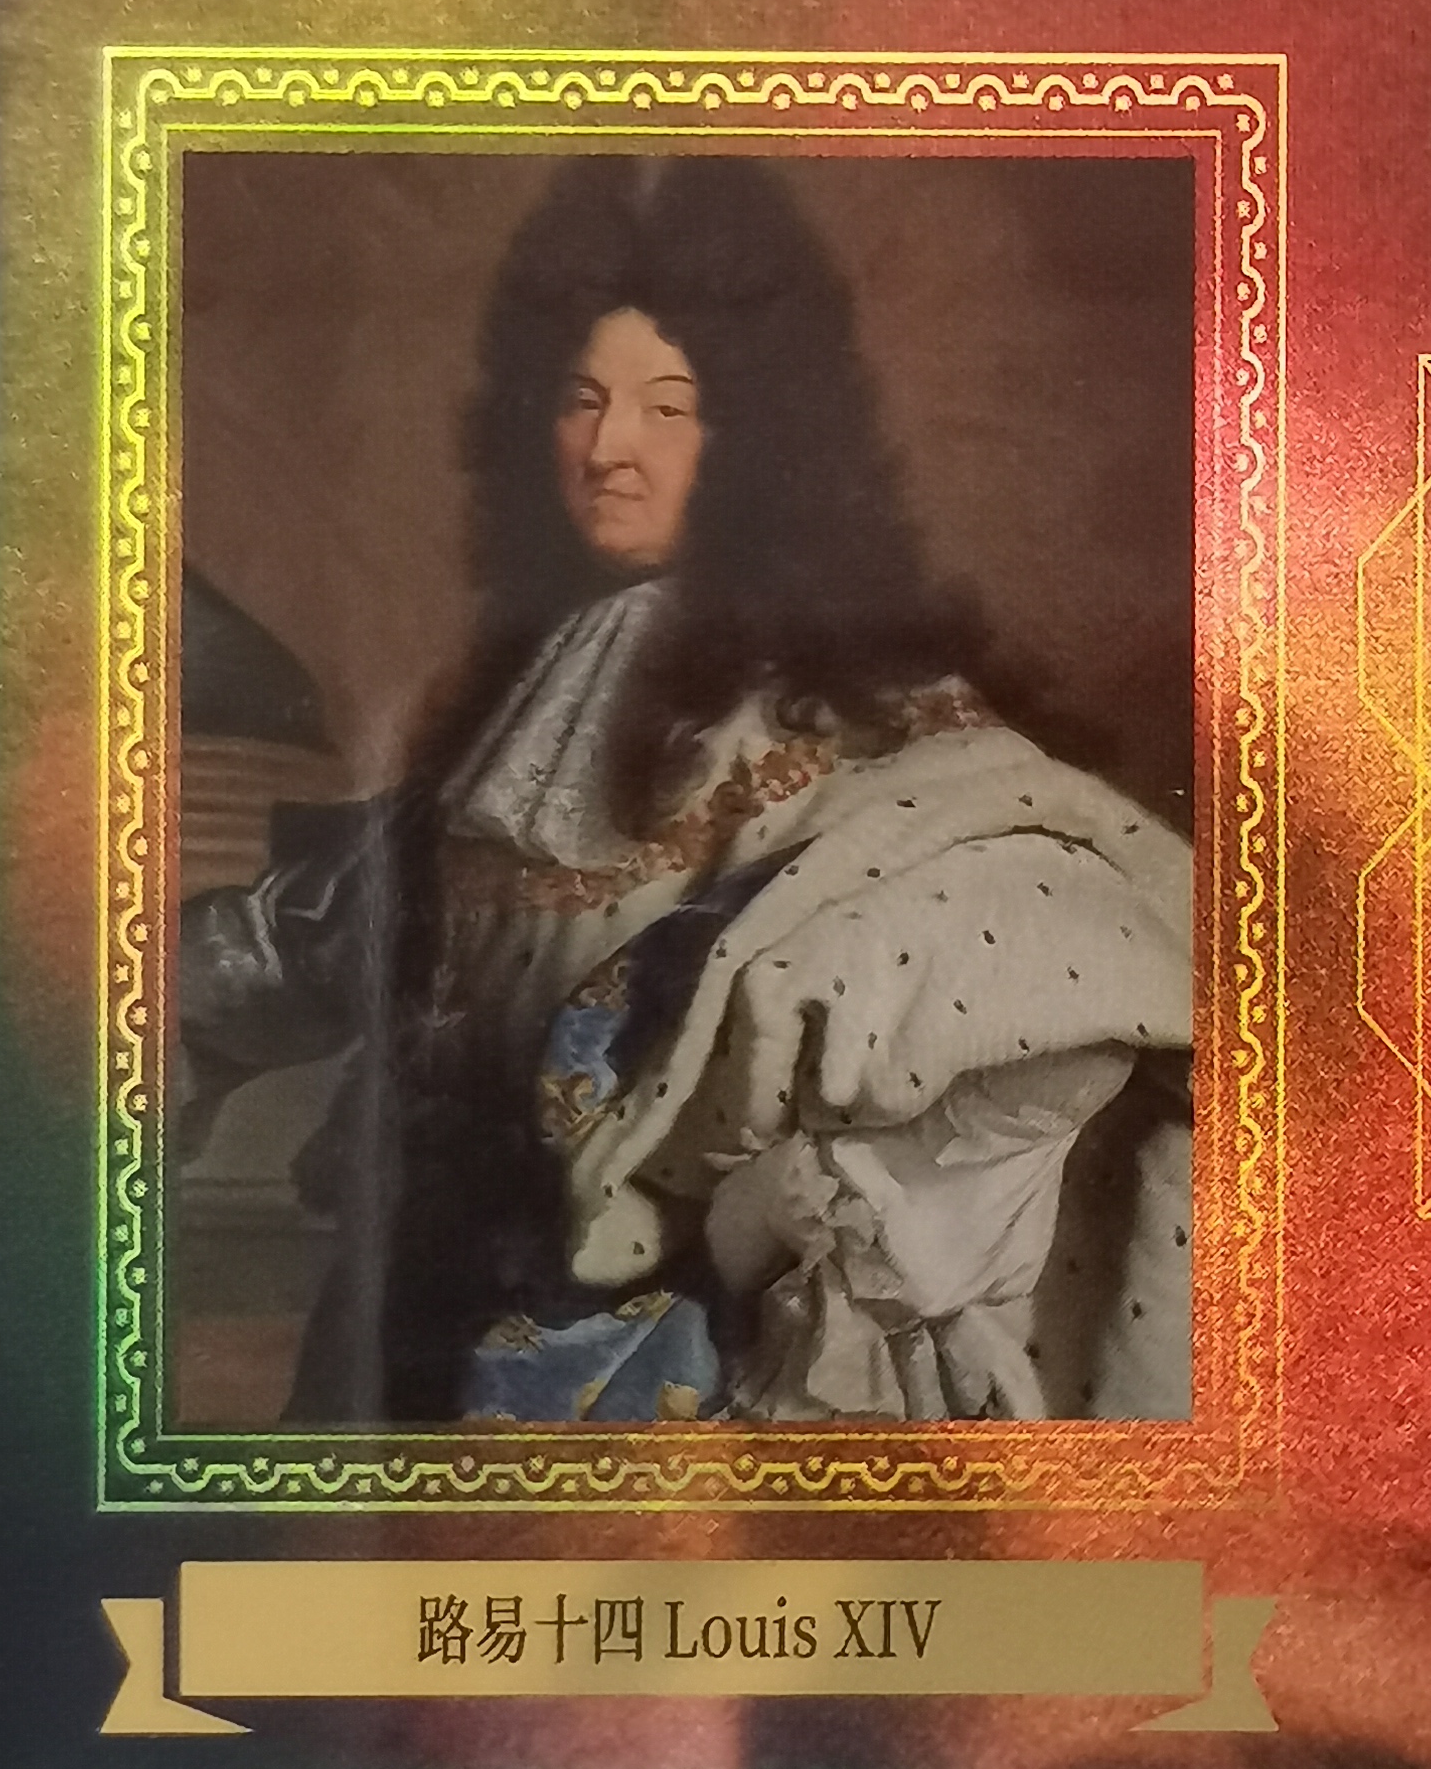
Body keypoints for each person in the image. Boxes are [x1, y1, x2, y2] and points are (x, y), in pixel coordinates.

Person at [173, 155, 1193, 1428]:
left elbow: (1038, 908)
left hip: (665, 1373)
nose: (611, 449)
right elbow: (375, 927)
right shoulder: (519, 695)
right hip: (410, 1338)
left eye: (669, 406)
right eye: (582, 400)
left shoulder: (860, 711)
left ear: (755, 436)